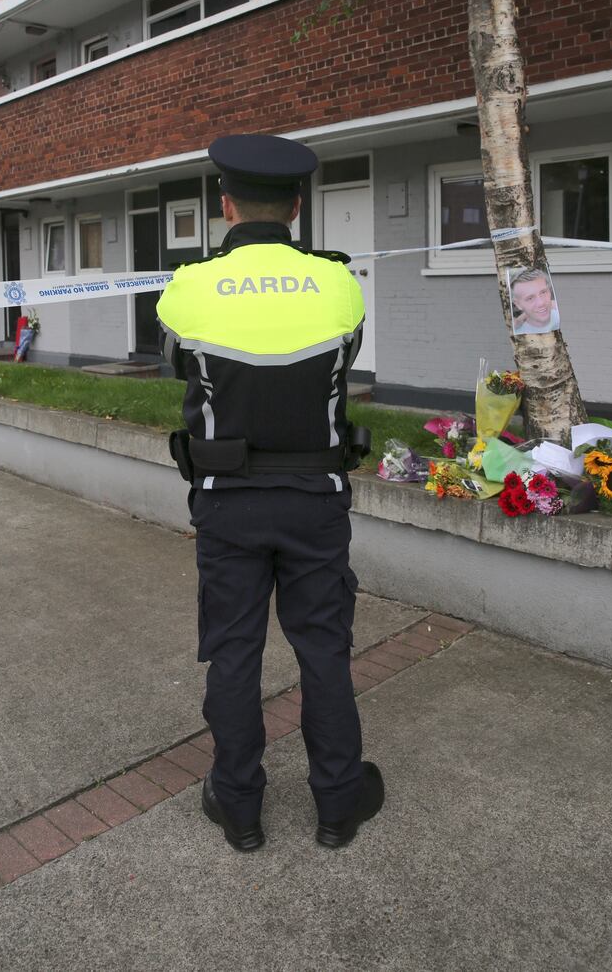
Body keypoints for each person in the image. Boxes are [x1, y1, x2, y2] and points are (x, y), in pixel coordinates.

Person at [156, 133, 384, 853]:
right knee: (323, 649)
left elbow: (176, 367)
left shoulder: (187, 286)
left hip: (227, 498)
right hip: (316, 495)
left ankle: (239, 805)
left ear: (224, 203)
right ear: (296, 205)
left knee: (233, 653)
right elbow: (344, 357)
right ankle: (338, 806)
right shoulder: (339, 283)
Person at [510, 266, 561, 335]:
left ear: (549, 291)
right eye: (530, 298)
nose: (541, 303)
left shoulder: (559, 315)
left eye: (543, 292)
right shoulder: (519, 335)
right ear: (518, 304)